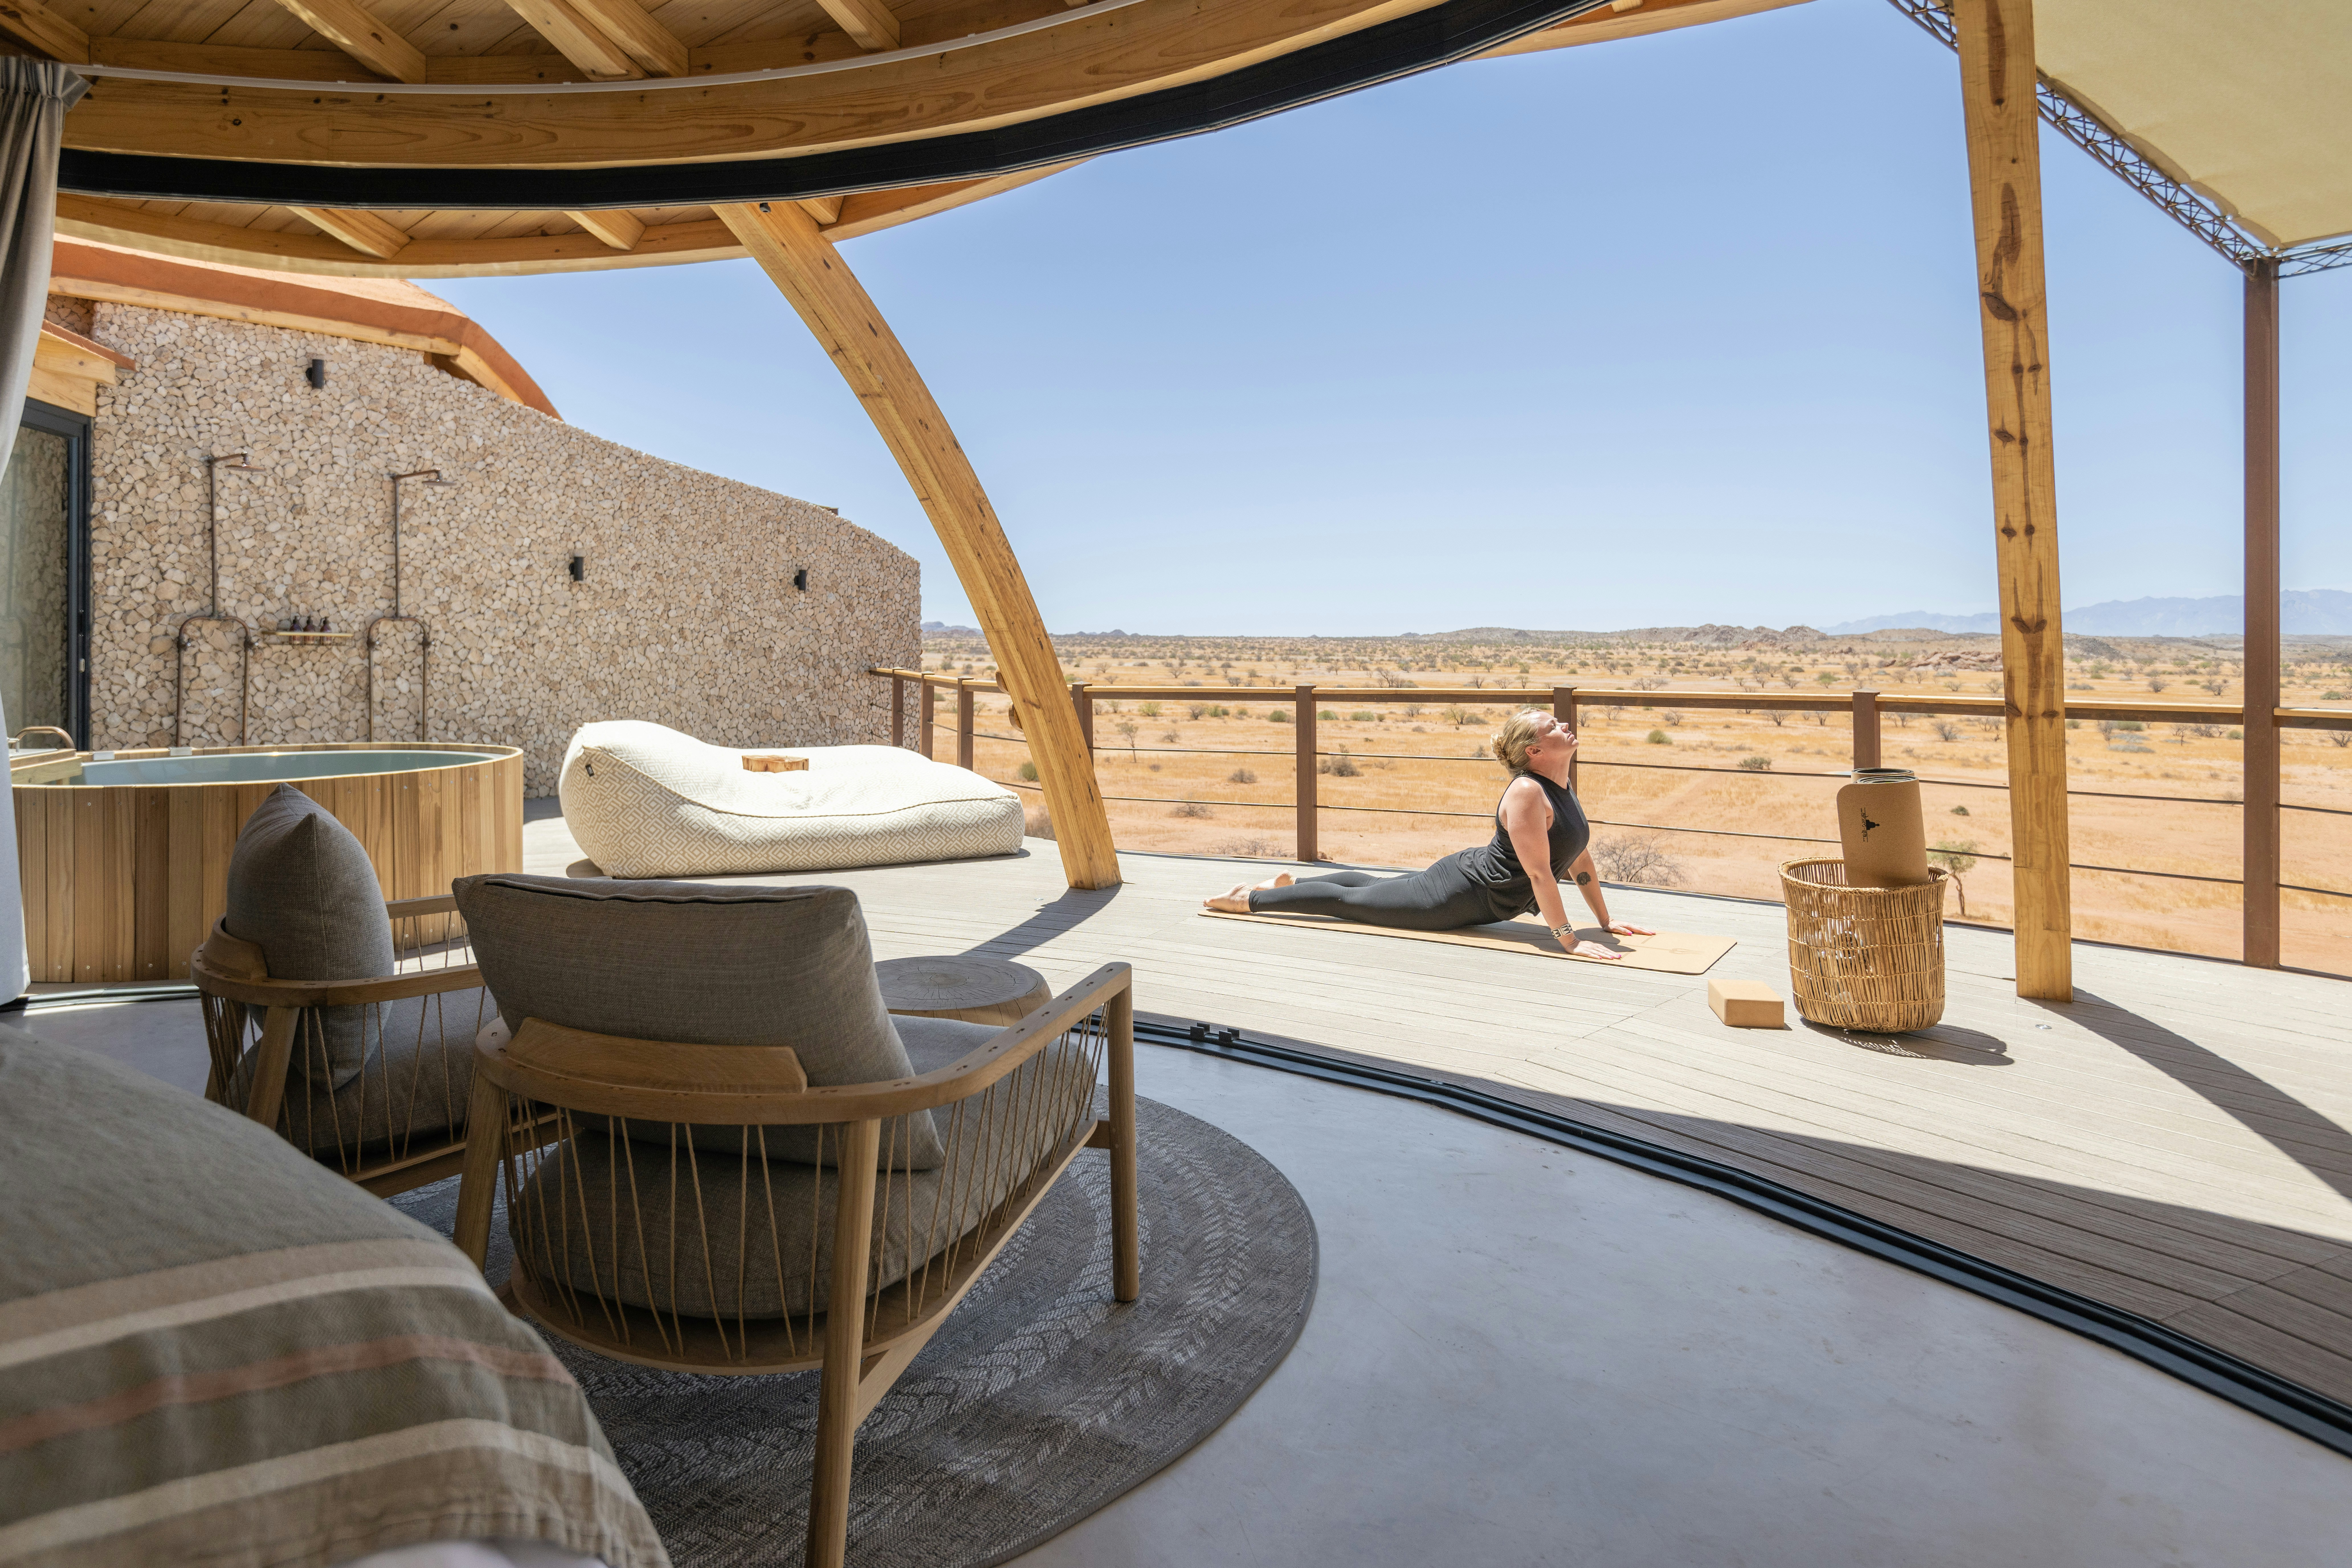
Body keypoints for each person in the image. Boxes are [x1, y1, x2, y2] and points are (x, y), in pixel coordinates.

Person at [1205, 709, 1654, 960]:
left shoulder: (1561, 787)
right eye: (1552, 727)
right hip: (1455, 897)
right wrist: (1570, 942)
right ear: (1534, 751)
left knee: (1374, 888)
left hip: (1465, 877)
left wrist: (1605, 921)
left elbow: (1578, 859)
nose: (1565, 726)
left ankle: (1292, 883)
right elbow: (1540, 875)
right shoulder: (1526, 793)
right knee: (1352, 904)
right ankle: (1246, 900)